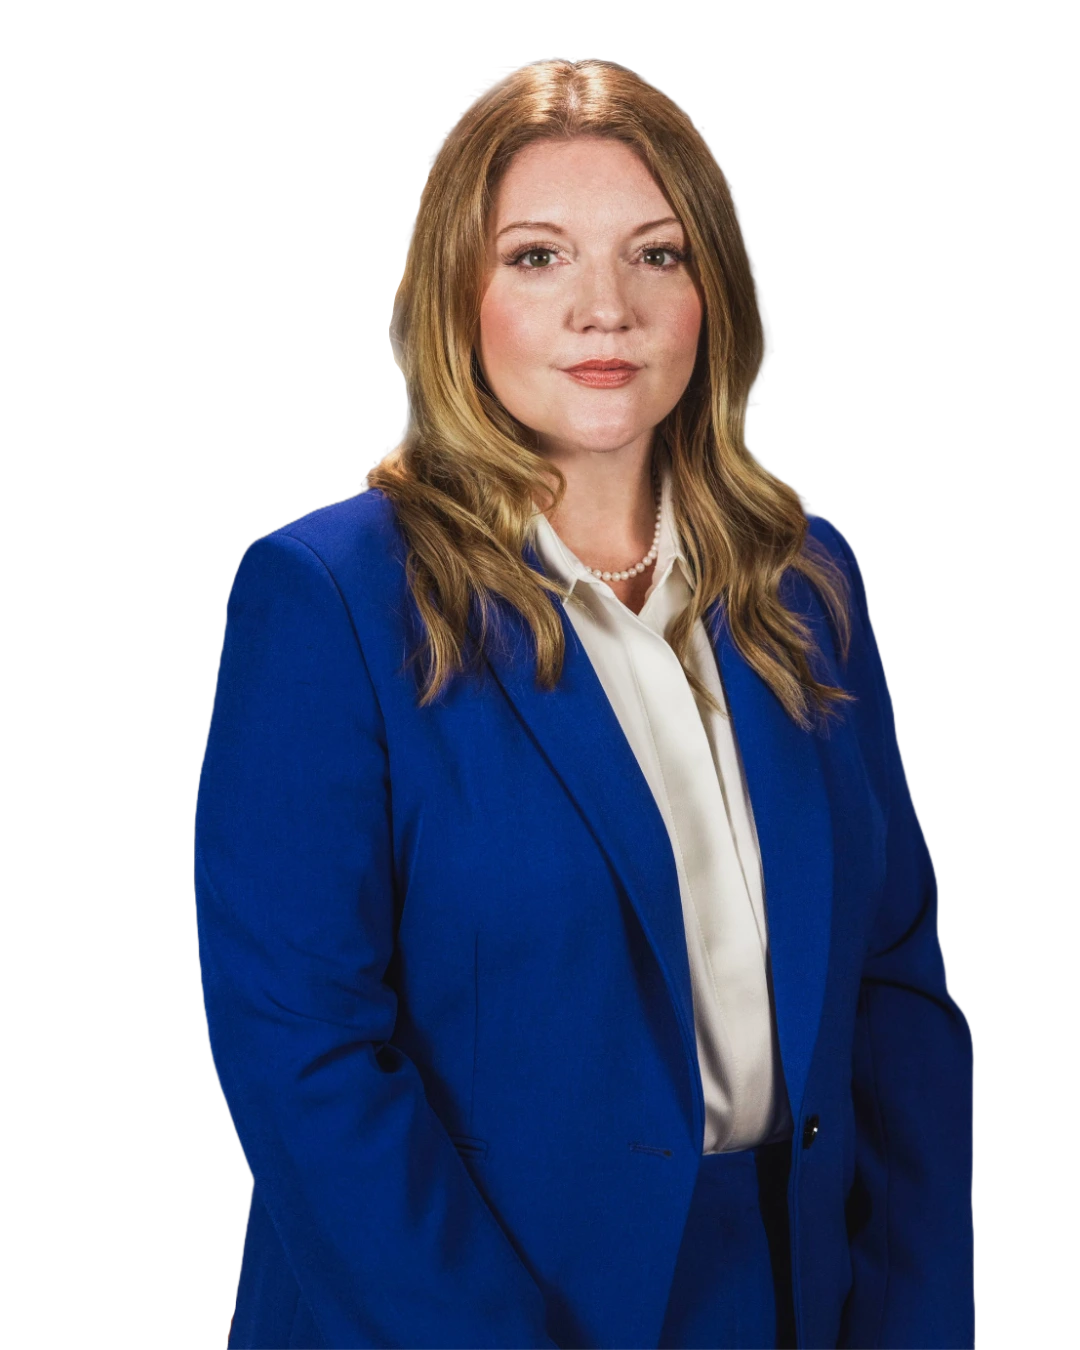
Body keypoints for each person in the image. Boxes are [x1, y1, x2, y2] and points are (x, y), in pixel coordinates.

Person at [196, 58, 975, 1350]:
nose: (604, 309)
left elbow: (897, 988)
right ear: (457, 296)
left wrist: (913, 1317)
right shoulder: (329, 597)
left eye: (658, 255)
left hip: (795, 1295)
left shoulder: (806, 575)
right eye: (540, 256)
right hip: (459, 1306)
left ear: (714, 295)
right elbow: (304, 1055)